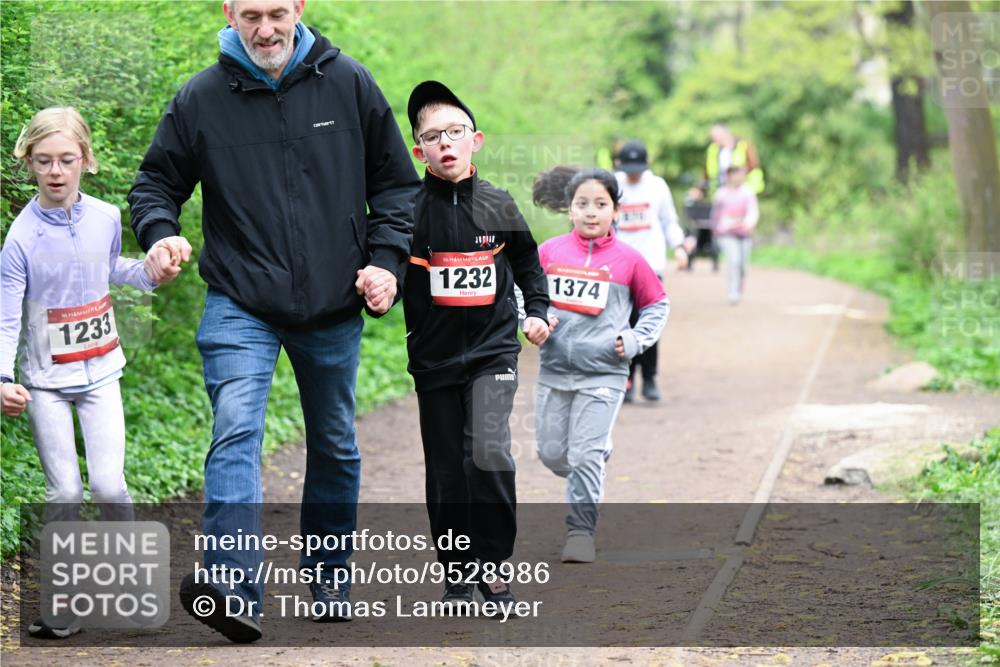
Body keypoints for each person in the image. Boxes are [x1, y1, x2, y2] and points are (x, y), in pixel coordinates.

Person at [127, 0, 420, 642]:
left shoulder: (349, 82)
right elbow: (154, 185)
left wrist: (386, 263)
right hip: (240, 300)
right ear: (229, 13)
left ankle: (330, 575)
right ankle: (233, 588)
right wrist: (160, 233)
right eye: (251, 15)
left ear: (299, 9)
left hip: (333, 300)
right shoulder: (201, 98)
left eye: (277, 13)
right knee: (235, 430)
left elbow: (397, 188)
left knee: (334, 442)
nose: (265, 29)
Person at [1, 107, 168, 639]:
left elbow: (111, 268)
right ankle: (61, 608)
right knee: (66, 493)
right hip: (45, 384)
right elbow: (7, 317)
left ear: (86, 160)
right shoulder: (21, 239)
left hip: (101, 375)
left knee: (110, 487)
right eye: (44, 160)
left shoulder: (106, 216)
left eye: (66, 159)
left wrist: (149, 272)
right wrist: (2, 379)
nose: (55, 171)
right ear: (29, 163)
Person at [403, 80, 550, 613]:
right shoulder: (407, 211)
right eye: (432, 136)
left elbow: (529, 263)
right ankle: (458, 572)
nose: (445, 143)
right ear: (419, 151)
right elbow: (385, 273)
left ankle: (493, 567)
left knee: (487, 453)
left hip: (493, 353)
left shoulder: (499, 203)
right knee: (446, 470)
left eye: (455, 132)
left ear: (476, 140)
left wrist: (538, 311)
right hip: (434, 359)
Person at [531, 166, 669, 563]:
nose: (591, 212)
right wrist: (533, 317)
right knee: (553, 454)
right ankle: (591, 457)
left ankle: (580, 533)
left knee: (584, 456)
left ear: (615, 211)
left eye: (601, 204)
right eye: (582, 204)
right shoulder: (549, 252)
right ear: (570, 210)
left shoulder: (630, 260)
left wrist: (635, 339)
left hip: (605, 373)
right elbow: (524, 292)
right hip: (555, 370)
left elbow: (657, 305)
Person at [614, 140, 686, 402]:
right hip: (620, 266)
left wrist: (679, 247)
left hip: (651, 264)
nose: (633, 175)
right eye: (629, 169)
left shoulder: (657, 186)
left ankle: (650, 377)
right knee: (623, 323)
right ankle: (627, 379)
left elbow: (669, 221)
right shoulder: (613, 184)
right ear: (619, 164)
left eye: (638, 169)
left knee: (649, 322)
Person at [712, 165, 759, 305]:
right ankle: (733, 292)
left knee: (743, 266)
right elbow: (715, 213)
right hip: (726, 234)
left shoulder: (747, 193)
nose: (740, 177)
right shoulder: (721, 194)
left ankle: (739, 288)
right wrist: (714, 228)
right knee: (734, 260)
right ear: (729, 176)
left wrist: (749, 224)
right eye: (737, 174)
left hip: (744, 234)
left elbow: (753, 211)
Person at [695, 123, 765, 197]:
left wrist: (739, 176)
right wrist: (699, 188)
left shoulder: (743, 146)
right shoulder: (713, 149)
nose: (714, 140)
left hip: (743, 190)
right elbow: (707, 172)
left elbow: (753, 165)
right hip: (721, 190)